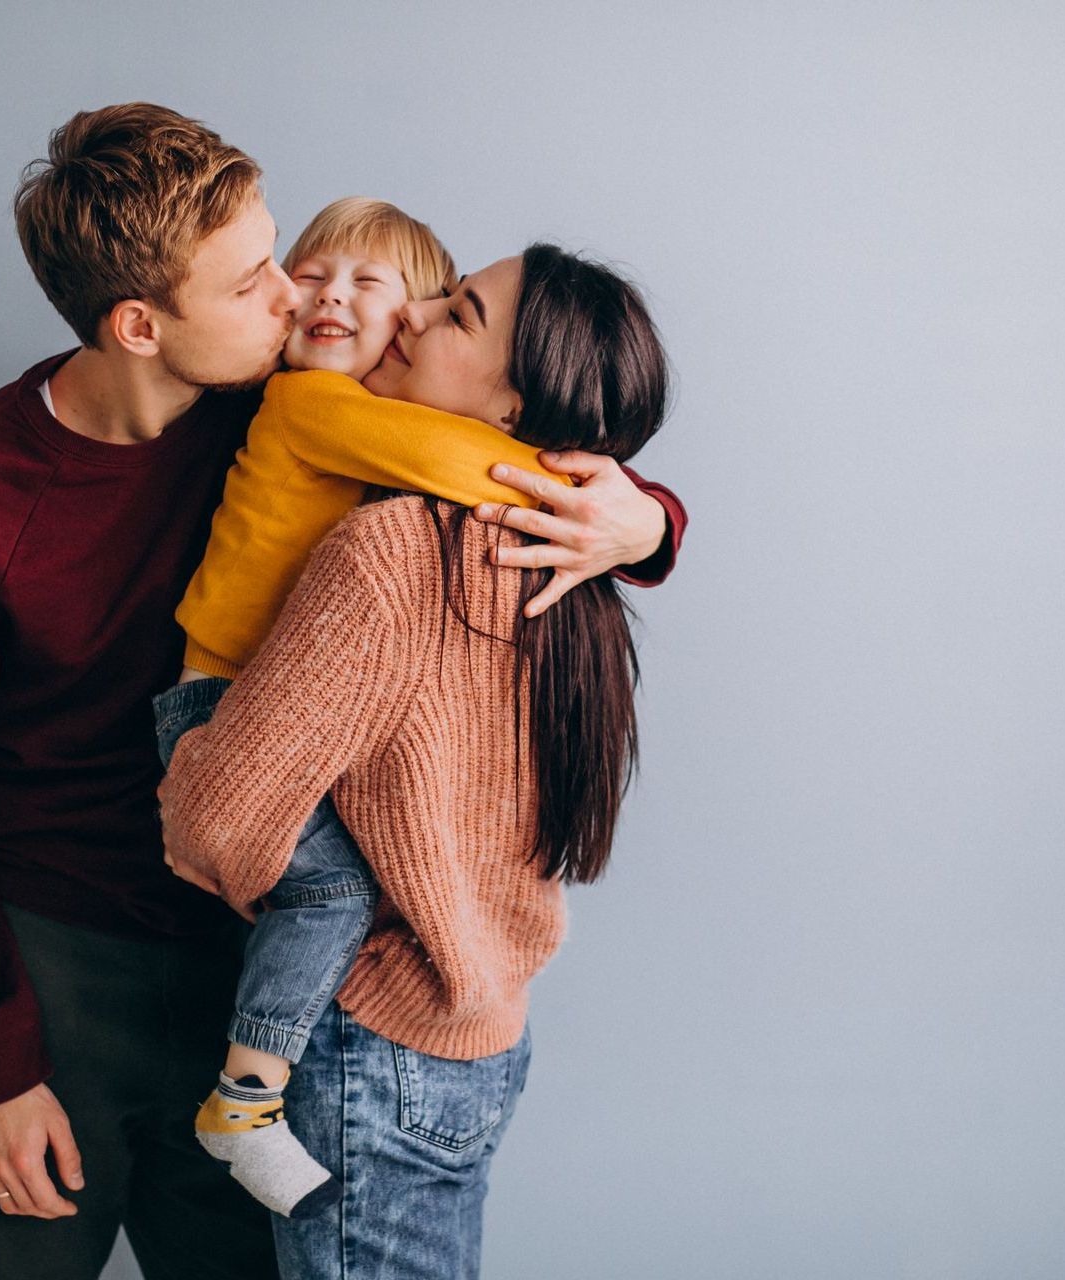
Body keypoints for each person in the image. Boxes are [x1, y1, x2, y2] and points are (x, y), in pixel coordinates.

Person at [0, 101, 685, 1280]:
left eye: (277, 256)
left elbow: (510, 418)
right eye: (250, 285)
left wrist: (643, 519)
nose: (294, 300)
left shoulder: (285, 407)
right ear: (141, 323)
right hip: (46, 980)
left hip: (254, 977)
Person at [158, 243, 674, 1278]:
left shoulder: (390, 552)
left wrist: (193, 770)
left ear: (515, 400)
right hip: (484, 1034)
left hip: (377, 1048)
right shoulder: (579, 560)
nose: (413, 316)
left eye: (459, 313)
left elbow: (216, 822)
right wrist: (650, 519)